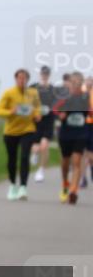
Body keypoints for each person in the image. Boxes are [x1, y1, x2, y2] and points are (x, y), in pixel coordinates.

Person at [0, 69, 42, 200]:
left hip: (28, 129)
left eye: (25, 78)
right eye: (20, 78)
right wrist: (11, 111)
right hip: (11, 131)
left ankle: (23, 187)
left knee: (25, 156)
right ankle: (12, 185)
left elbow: (37, 107)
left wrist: (37, 114)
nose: (22, 80)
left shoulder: (33, 93)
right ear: (16, 79)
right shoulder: (9, 93)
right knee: (12, 159)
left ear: (28, 80)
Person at [52, 72, 90, 204]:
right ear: (70, 84)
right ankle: (65, 184)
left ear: (82, 83)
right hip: (66, 134)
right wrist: (60, 115)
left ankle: (74, 191)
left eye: (79, 83)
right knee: (65, 163)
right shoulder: (65, 98)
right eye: (74, 82)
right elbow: (55, 109)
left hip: (81, 134)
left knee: (77, 161)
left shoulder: (86, 98)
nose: (76, 85)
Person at [30, 65, 56, 182]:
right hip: (36, 120)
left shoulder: (53, 89)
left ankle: (40, 171)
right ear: (40, 74)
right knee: (35, 147)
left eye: (47, 74)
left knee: (44, 146)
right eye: (43, 73)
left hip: (48, 120)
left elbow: (57, 104)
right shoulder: (33, 87)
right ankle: (34, 154)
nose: (45, 75)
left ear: (49, 75)